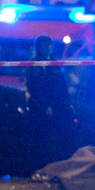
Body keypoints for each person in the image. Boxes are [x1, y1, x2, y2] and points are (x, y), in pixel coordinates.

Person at [25, 34, 76, 170]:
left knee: (58, 140)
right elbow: (34, 88)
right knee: (42, 141)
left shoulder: (54, 63)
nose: (48, 48)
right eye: (44, 46)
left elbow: (61, 85)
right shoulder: (36, 64)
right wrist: (45, 106)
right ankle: (39, 168)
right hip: (41, 110)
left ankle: (54, 168)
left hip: (58, 108)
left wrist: (67, 103)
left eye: (49, 45)